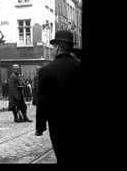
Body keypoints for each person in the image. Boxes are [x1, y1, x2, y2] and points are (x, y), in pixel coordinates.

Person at [36, 30, 83, 163]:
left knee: (62, 157)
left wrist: (40, 126)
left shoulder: (46, 70)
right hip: (79, 123)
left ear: (56, 47)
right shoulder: (79, 66)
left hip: (58, 125)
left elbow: (43, 101)